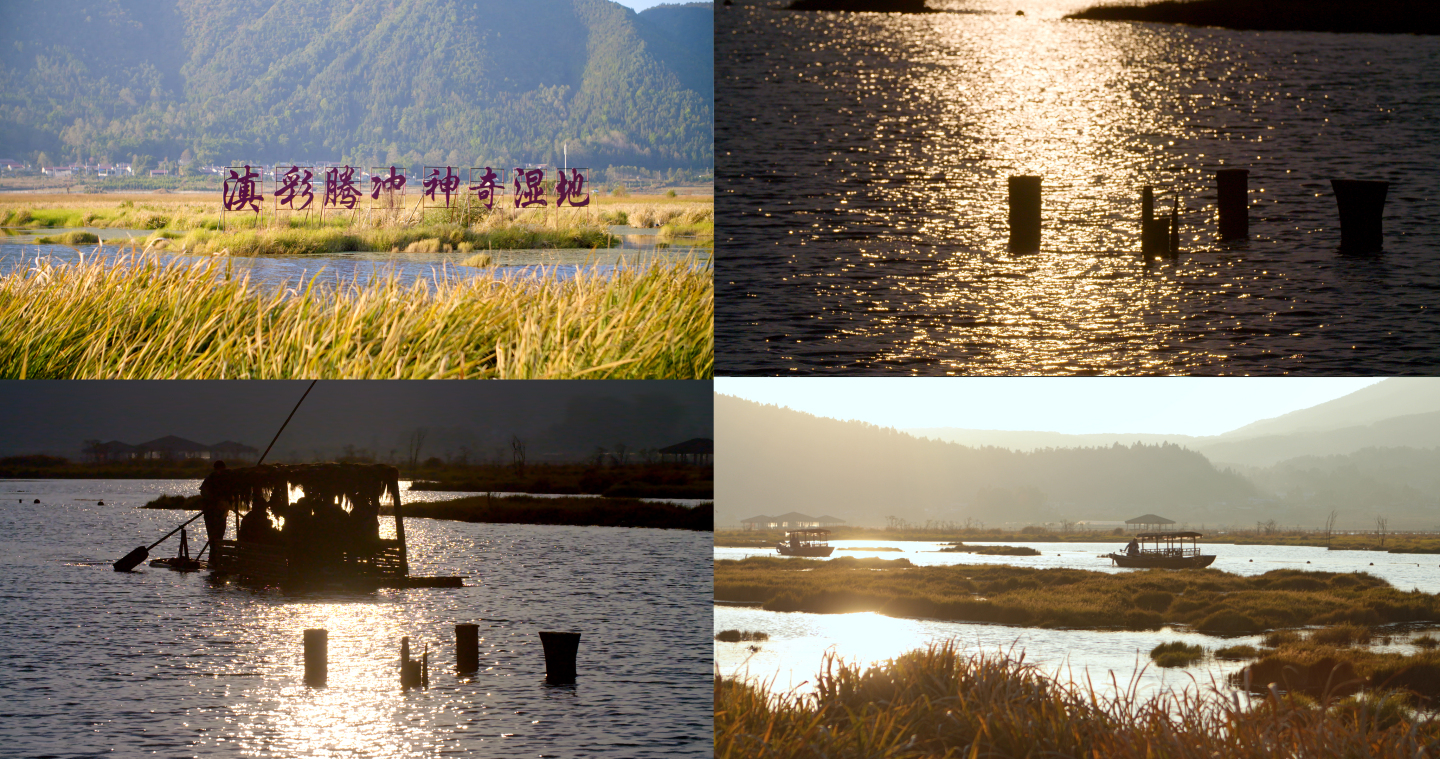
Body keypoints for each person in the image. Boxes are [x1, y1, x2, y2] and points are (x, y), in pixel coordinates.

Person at [199, 460, 230, 546]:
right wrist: (214, 500)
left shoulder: (225, 478)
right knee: (214, 536)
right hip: (211, 512)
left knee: (218, 535)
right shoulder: (211, 478)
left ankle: (216, 554)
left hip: (220, 512)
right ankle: (214, 554)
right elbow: (203, 492)